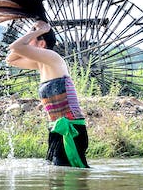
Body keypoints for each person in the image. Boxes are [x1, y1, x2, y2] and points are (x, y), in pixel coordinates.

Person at [6, 20, 89, 168]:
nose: (28, 39)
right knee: (55, 182)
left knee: (71, 181)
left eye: (32, 39)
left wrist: (38, 31)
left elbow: (16, 47)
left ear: (42, 44)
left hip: (71, 130)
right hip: (56, 130)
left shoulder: (53, 57)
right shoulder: (41, 63)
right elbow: (10, 59)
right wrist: (35, 33)